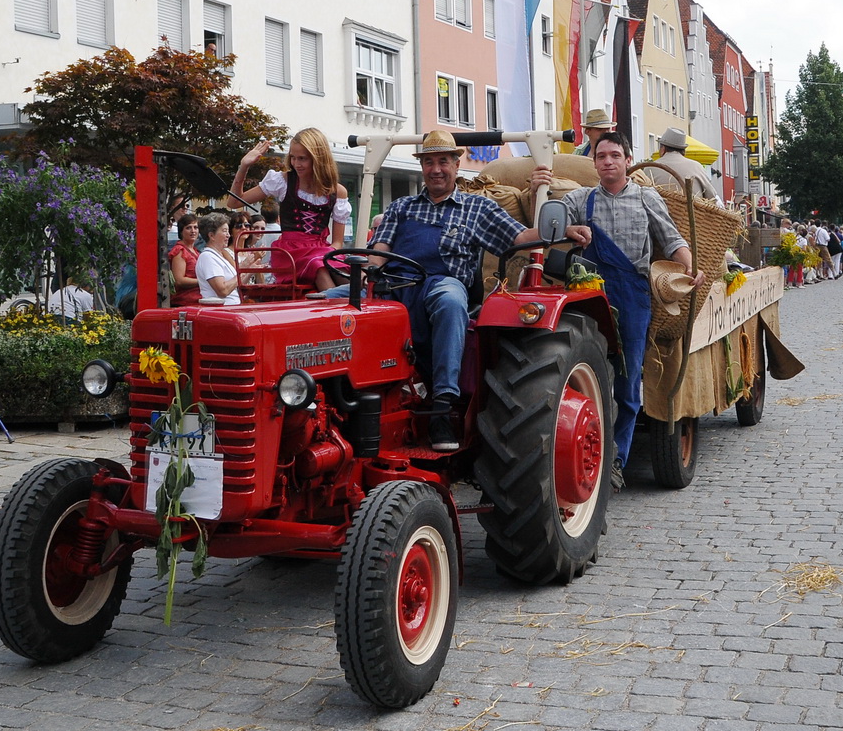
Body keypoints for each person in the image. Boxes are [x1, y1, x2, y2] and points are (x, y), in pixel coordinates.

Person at [370, 130, 544, 452]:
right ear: (422, 166)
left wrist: (557, 225)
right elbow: (381, 247)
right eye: (429, 162)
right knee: (328, 303)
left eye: (443, 161)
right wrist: (365, 268)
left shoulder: (476, 207)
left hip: (442, 281)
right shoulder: (401, 207)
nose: (436, 169)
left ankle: (442, 406)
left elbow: (520, 238)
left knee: (450, 302)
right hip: (396, 282)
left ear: (456, 163)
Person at [558, 132, 701, 487]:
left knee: (627, 378)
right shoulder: (580, 198)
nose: (607, 161)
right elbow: (553, 222)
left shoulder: (646, 198)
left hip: (632, 294)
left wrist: (689, 266)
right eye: (601, 155)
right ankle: (584, 449)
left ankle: (616, 460)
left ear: (627, 160)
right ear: (594, 162)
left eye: (615, 155)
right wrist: (563, 218)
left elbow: (672, 240)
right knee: (588, 373)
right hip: (589, 295)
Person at [231, 129, 351, 292]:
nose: (296, 163)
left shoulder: (337, 191)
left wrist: (328, 254)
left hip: (321, 249)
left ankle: (358, 306)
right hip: (290, 251)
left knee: (343, 270)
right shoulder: (283, 181)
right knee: (319, 267)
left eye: (302, 158)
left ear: (318, 159)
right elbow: (234, 202)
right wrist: (244, 166)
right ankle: (336, 309)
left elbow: (337, 242)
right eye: (293, 157)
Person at [644, 126, 719, 201]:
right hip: (693, 211)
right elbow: (711, 196)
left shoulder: (650, 168)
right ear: (684, 151)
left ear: (663, 149)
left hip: (658, 211)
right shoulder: (696, 166)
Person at [195, 213, 240, 305]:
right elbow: (222, 291)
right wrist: (241, 273)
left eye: (228, 231)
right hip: (222, 310)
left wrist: (250, 266)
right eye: (224, 231)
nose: (228, 235)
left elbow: (235, 284)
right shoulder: (208, 257)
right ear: (211, 236)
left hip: (232, 307)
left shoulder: (219, 256)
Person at [167, 214, 203, 306]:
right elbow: (179, 280)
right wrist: (203, 281)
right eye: (188, 228)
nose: (193, 231)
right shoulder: (179, 250)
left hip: (198, 301)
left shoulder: (196, 251)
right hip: (184, 303)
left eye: (195, 227)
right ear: (181, 231)